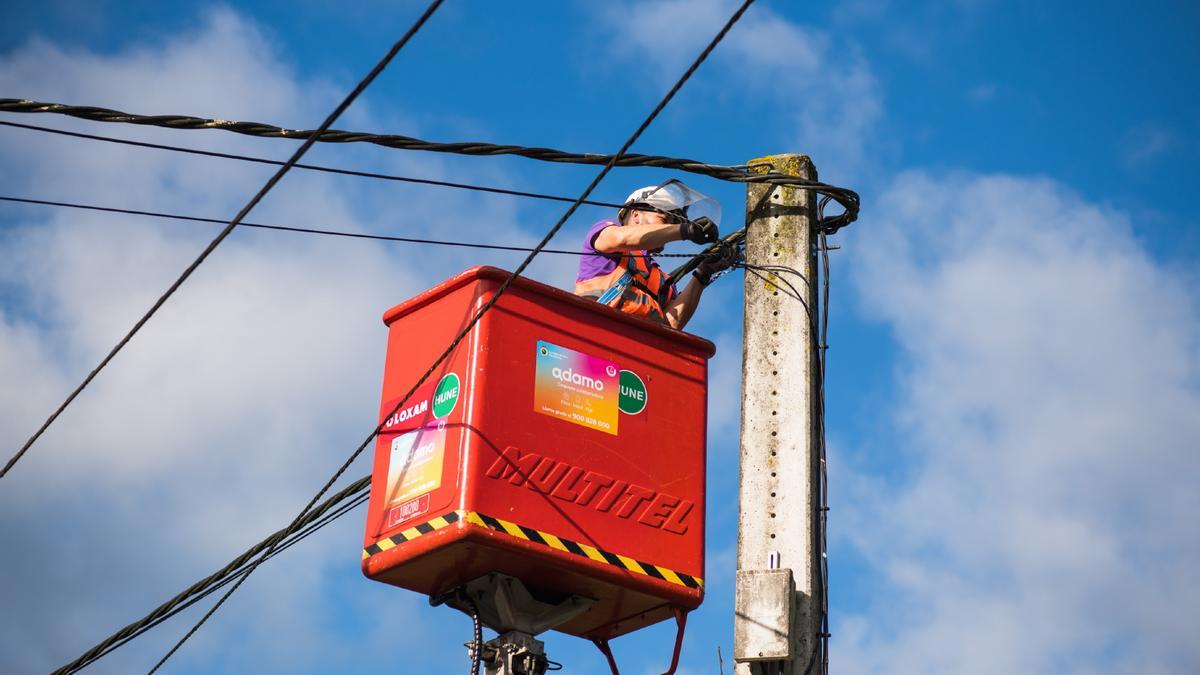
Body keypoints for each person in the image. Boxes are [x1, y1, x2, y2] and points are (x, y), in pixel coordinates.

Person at [575, 180, 738, 330]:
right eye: (664, 219)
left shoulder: (664, 282)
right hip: (593, 334)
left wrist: (703, 272)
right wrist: (685, 230)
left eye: (673, 224)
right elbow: (622, 238)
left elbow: (670, 326)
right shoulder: (606, 236)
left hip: (637, 350)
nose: (669, 228)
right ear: (636, 215)